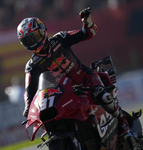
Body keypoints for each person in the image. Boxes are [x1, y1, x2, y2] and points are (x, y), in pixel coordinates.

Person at [17, 7, 130, 137]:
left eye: (34, 37)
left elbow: (87, 34)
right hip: (63, 93)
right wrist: (28, 108)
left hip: (85, 79)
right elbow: (29, 90)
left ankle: (123, 124)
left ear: (42, 31)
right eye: (28, 40)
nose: (33, 43)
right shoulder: (32, 65)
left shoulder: (60, 39)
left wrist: (87, 24)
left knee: (103, 96)